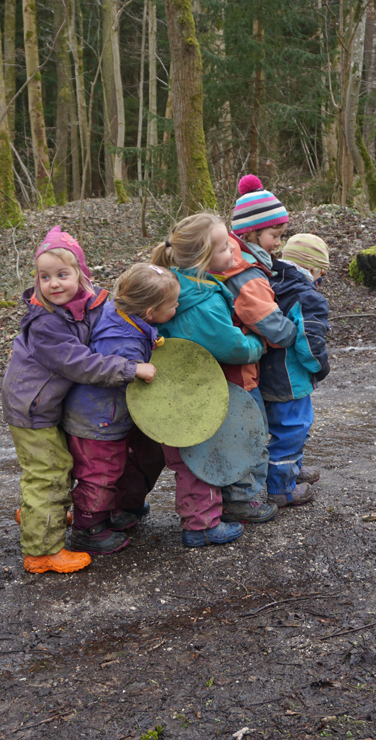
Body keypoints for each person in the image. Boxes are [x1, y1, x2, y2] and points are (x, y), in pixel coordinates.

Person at [1, 227, 156, 574]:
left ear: (81, 275)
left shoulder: (88, 302)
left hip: (48, 403)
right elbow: (80, 364)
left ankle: (37, 515)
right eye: (44, 277)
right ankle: (42, 552)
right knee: (49, 473)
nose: (53, 284)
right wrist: (130, 369)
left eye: (62, 274)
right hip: (31, 407)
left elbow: (117, 312)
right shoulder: (45, 323)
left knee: (63, 465)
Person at [121, 211, 268, 547]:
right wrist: (256, 345)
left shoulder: (168, 284)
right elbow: (230, 346)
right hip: (194, 393)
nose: (233, 253)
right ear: (203, 258)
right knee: (197, 460)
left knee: (181, 458)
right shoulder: (203, 301)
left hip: (166, 393)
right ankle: (200, 527)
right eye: (223, 249)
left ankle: (133, 510)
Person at [61, 263, 179, 555]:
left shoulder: (122, 315)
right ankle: (88, 529)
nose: (178, 306)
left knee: (113, 466)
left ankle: (110, 513)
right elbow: (115, 375)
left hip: (104, 416)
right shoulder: (122, 341)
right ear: (150, 312)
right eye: (173, 304)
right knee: (100, 472)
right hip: (98, 420)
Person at [215, 174, 311, 512]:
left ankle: (251, 490)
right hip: (240, 367)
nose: (278, 243)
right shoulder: (246, 271)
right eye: (275, 235)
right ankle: (248, 497)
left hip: (233, 362)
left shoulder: (236, 260)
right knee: (253, 432)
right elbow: (267, 320)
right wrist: (292, 333)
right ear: (252, 233)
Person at [260, 233, 332, 505]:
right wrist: (320, 367)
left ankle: (292, 469)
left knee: (283, 427)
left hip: (262, 372)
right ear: (316, 270)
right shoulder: (307, 296)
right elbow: (309, 342)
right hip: (289, 378)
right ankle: (282, 488)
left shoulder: (268, 281)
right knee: (293, 429)